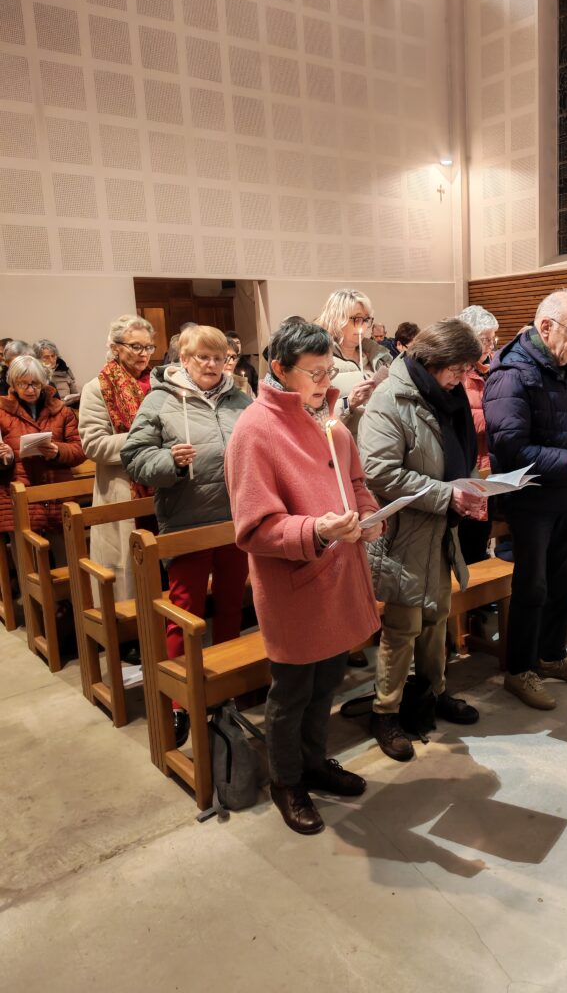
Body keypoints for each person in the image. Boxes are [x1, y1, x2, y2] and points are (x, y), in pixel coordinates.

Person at [225, 320, 383, 835]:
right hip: (295, 584)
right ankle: (286, 782)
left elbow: (356, 482)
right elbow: (254, 528)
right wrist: (316, 530)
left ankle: (314, 764)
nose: (324, 381)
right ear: (279, 368)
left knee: (327, 684)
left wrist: (369, 515)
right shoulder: (255, 430)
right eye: (314, 373)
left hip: (339, 575)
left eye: (329, 371)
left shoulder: (331, 422)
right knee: (292, 693)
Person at [358, 319, 485, 762]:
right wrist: (448, 494)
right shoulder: (390, 399)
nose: (463, 377)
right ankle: (386, 711)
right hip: (404, 532)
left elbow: (459, 453)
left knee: (437, 618)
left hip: (440, 526)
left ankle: (433, 693)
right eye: (458, 368)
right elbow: (379, 471)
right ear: (432, 360)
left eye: (468, 368)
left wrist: (472, 488)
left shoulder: (446, 396)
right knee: (404, 626)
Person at [483, 290, 567, 709]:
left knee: (563, 581)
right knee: (532, 586)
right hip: (532, 499)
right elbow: (509, 448)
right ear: (546, 327)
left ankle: (552, 655)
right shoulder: (511, 374)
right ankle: (519, 669)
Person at [122, 326, 252, 749]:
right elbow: (134, 457)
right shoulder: (160, 400)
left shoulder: (240, 398)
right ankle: (180, 701)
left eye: (219, 357)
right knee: (184, 612)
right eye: (202, 357)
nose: (212, 365)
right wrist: (170, 462)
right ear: (183, 359)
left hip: (235, 521)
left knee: (231, 605)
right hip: (187, 522)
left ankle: (226, 688)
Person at [78, 316, 156, 603]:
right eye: (136, 346)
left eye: (149, 347)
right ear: (115, 347)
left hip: (163, 488)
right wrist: (146, 439)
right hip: (123, 490)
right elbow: (94, 445)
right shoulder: (97, 388)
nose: (144, 354)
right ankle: (131, 625)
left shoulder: (159, 384)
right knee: (128, 574)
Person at [0, 355, 84, 543]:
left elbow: (80, 450)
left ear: (44, 382)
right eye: (23, 384)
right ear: (13, 384)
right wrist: (7, 458)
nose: (31, 390)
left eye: (35, 384)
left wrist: (58, 451)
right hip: (20, 497)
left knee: (67, 555)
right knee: (28, 557)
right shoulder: (2, 412)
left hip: (58, 495)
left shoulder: (62, 411)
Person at [315, 288, 392, 437]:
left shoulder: (379, 357)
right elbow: (314, 420)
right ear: (336, 319)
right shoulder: (320, 361)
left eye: (366, 319)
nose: (362, 326)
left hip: (381, 442)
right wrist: (348, 404)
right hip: (347, 445)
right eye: (356, 319)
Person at [456, 304, 499, 564]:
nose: (490, 346)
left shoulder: (492, 369)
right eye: (485, 339)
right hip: (467, 466)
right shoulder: (458, 373)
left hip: (488, 465)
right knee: (467, 537)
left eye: (493, 339)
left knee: (483, 532)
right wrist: (499, 417)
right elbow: (461, 419)